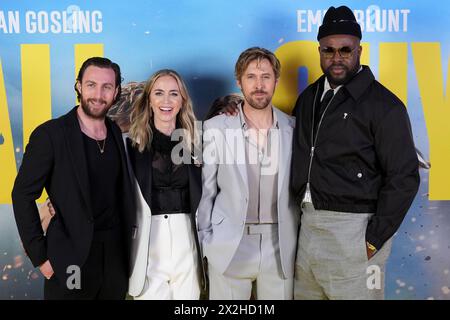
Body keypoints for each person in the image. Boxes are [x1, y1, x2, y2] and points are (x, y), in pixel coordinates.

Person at [291, 6, 420, 300]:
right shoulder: (309, 98)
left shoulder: (384, 106)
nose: (337, 58)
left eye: (345, 50)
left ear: (360, 50)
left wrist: (374, 239)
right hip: (308, 229)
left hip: (356, 232)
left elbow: (404, 177)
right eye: (329, 50)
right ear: (319, 50)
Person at [11, 57, 136, 300]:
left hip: (113, 262)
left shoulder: (114, 132)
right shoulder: (50, 135)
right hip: (70, 261)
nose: (98, 94)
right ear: (78, 86)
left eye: (106, 87)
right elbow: (22, 194)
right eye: (91, 85)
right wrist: (41, 258)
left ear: (116, 91)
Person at [198, 47, 300, 300]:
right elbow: (205, 192)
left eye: (266, 76)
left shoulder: (294, 128)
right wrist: (207, 243)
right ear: (239, 82)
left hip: (280, 244)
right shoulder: (216, 128)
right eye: (251, 77)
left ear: (276, 80)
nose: (259, 85)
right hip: (229, 244)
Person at [125, 69, 204, 300]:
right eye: (159, 93)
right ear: (149, 100)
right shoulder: (129, 146)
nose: (166, 101)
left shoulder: (199, 141)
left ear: (182, 101)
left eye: (174, 94)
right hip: (149, 243)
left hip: (187, 240)